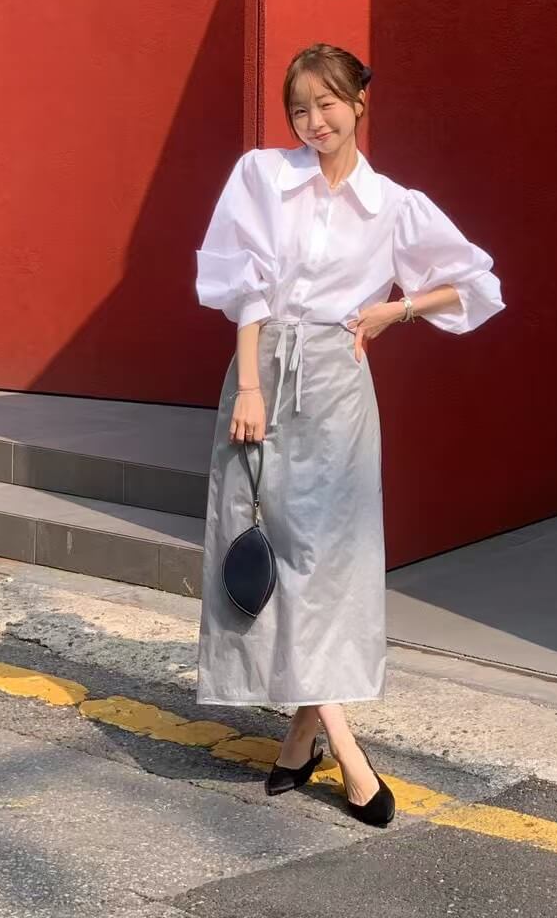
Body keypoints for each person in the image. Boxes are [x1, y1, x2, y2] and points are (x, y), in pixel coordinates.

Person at [193, 42, 505, 827]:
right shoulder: (263, 175)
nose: (313, 121)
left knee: (327, 566)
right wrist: (252, 384)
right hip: (263, 378)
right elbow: (245, 285)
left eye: (326, 104)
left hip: (338, 389)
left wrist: (396, 309)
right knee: (267, 545)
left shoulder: (393, 204)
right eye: (299, 108)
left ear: (360, 102)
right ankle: (346, 751)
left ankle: (307, 738)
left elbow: (476, 283)